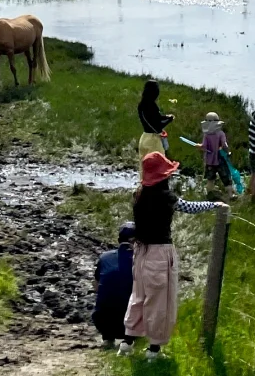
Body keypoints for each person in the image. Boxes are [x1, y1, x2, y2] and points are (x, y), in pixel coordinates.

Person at [120, 151, 221, 359]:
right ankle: (154, 351)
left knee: (138, 297)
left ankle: (127, 343)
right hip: (160, 253)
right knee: (160, 303)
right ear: (163, 176)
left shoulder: (138, 194)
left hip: (139, 252)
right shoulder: (166, 197)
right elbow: (189, 207)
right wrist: (213, 204)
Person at [92, 222, 136, 348]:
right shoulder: (140, 260)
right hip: (129, 326)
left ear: (118, 240)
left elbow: (96, 285)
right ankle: (131, 339)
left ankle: (108, 338)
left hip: (102, 321)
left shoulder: (104, 257)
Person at [137, 79, 174, 179]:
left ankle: (142, 189)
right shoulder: (152, 105)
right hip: (153, 140)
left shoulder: (142, 104)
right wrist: (169, 121)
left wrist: (165, 116)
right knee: (157, 168)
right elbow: (157, 127)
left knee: (144, 169)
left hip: (144, 138)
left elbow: (154, 118)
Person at [197, 111, 231, 189]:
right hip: (220, 159)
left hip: (209, 161)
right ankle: (230, 194)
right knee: (226, 178)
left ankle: (210, 193)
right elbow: (224, 145)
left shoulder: (206, 134)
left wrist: (199, 146)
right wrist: (228, 152)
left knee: (210, 179)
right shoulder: (220, 133)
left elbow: (204, 146)